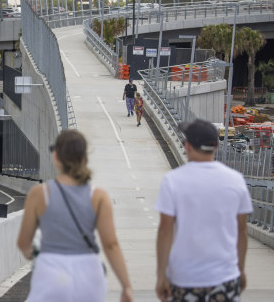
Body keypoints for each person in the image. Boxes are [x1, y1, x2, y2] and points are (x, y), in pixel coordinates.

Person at [17, 129, 133, 302]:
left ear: (56, 157)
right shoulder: (98, 196)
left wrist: (33, 255)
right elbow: (110, 244)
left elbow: (23, 243)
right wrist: (126, 286)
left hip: (51, 273)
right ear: (84, 158)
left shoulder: (40, 194)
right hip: (89, 274)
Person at [155, 119, 253, 302]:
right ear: (216, 146)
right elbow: (242, 231)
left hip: (184, 279)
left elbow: (165, 231)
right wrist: (240, 269)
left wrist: (161, 275)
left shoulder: (172, 181)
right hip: (225, 278)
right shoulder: (236, 180)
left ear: (188, 146)